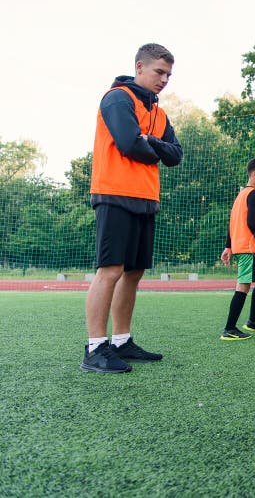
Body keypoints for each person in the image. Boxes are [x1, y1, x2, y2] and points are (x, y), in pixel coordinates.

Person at [81, 43, 183, 373]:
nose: (164, 79)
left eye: (169, 74)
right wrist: (155, 145)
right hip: (114, 194)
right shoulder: (117, 98)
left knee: (134, 272)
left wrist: (149, 141)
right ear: (140, 67)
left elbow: (176, 155)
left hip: (145, 198)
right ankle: (95, 347)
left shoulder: (159, 113)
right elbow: (127, 143)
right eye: (159, 72)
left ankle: (122, 341)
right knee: (110, 270)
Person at [219, 156, 255, 341]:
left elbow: (233, 223)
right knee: (243, 286)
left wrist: (228, 247)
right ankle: (229, 328)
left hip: (246, 248)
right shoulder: (253, 195)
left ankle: (252, 321)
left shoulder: (241, 195)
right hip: (249, 248)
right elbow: (251, 223)